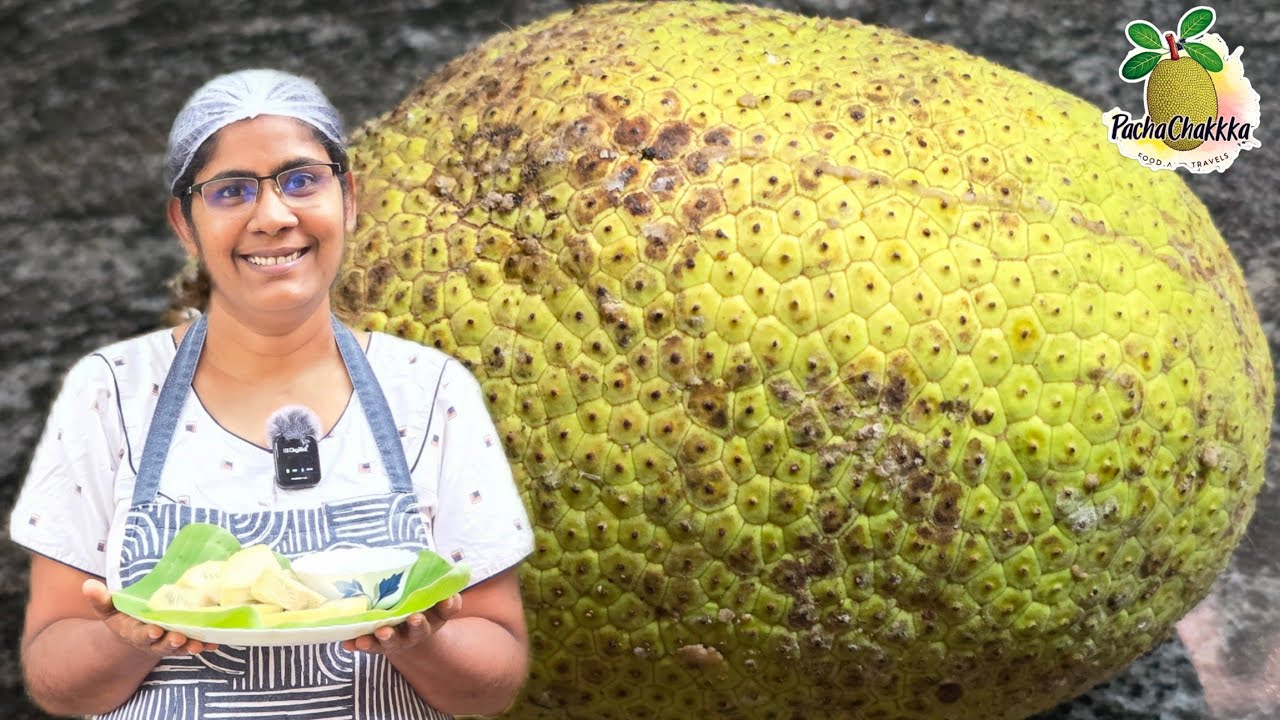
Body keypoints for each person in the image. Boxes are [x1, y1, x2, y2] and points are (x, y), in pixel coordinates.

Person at [9, 68, 533, 719]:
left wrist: (420, 643)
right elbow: (55, 678)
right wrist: (131, 638)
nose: (274, 216)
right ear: (185, 222)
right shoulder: (110, 390)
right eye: (230, 191)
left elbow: (495, 685)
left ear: (348, 196)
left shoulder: (431, 390)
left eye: (301, 180)